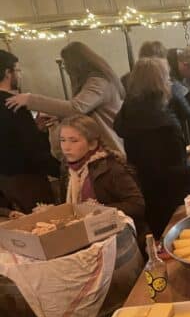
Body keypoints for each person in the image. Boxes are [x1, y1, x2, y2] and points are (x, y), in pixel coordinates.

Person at [114, 57, 190, 239]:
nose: (170, 82)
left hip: (149, 194)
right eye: (166, 77)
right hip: (171, 197)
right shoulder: (158, 122)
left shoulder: (130, 113)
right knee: (186, 239)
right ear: (158, 83)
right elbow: (160, 171)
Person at [5, 42, 125, 158]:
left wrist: (30, 99)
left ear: (75, 64)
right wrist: (59, 116)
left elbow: (77, 108)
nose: (66, 70)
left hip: (107, 147)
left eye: (65, 64)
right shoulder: (96, 81)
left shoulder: (98, 82)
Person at [58, 114, 145, 228]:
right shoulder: (67, 169)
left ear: (92, 144)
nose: (66, 147)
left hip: (116, 230)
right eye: (62, 140)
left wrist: (98, 210)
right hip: (82, 230)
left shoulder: (111, 168)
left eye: (74, 141)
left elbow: (137, 205)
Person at [0, 50, 58, 212]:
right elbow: (33, 149)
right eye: (18, 70)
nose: (20, 75)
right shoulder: (14, 104)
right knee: (45, 221)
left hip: (3, 181)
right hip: (27, 180)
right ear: (8, 73)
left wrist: (36, 128)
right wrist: (61, 170)